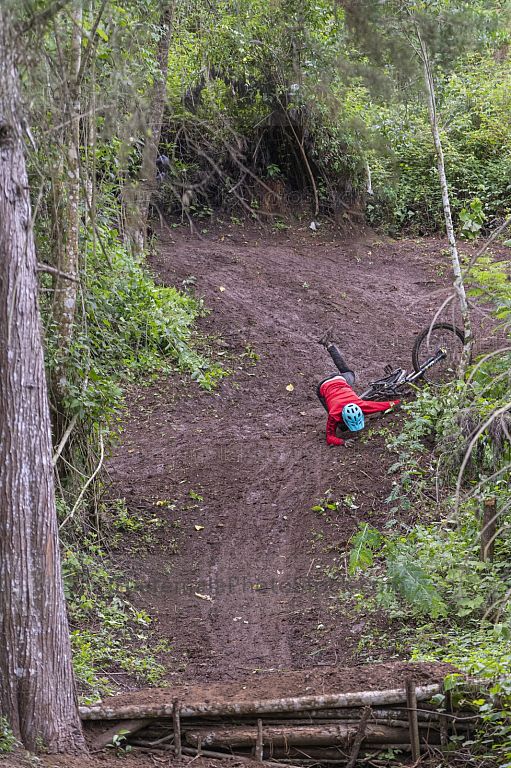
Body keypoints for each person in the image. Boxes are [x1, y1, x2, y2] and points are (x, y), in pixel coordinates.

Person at [317, 336, 399, 447]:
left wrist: (398, 403)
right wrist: (343, 442)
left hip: (334, 382)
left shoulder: (347, 409)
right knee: (342, 427)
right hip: (327, 385)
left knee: (347, 373)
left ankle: (329, 345)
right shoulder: (335, 414)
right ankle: (330, 345)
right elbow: (329, 437)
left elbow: (383, 405)